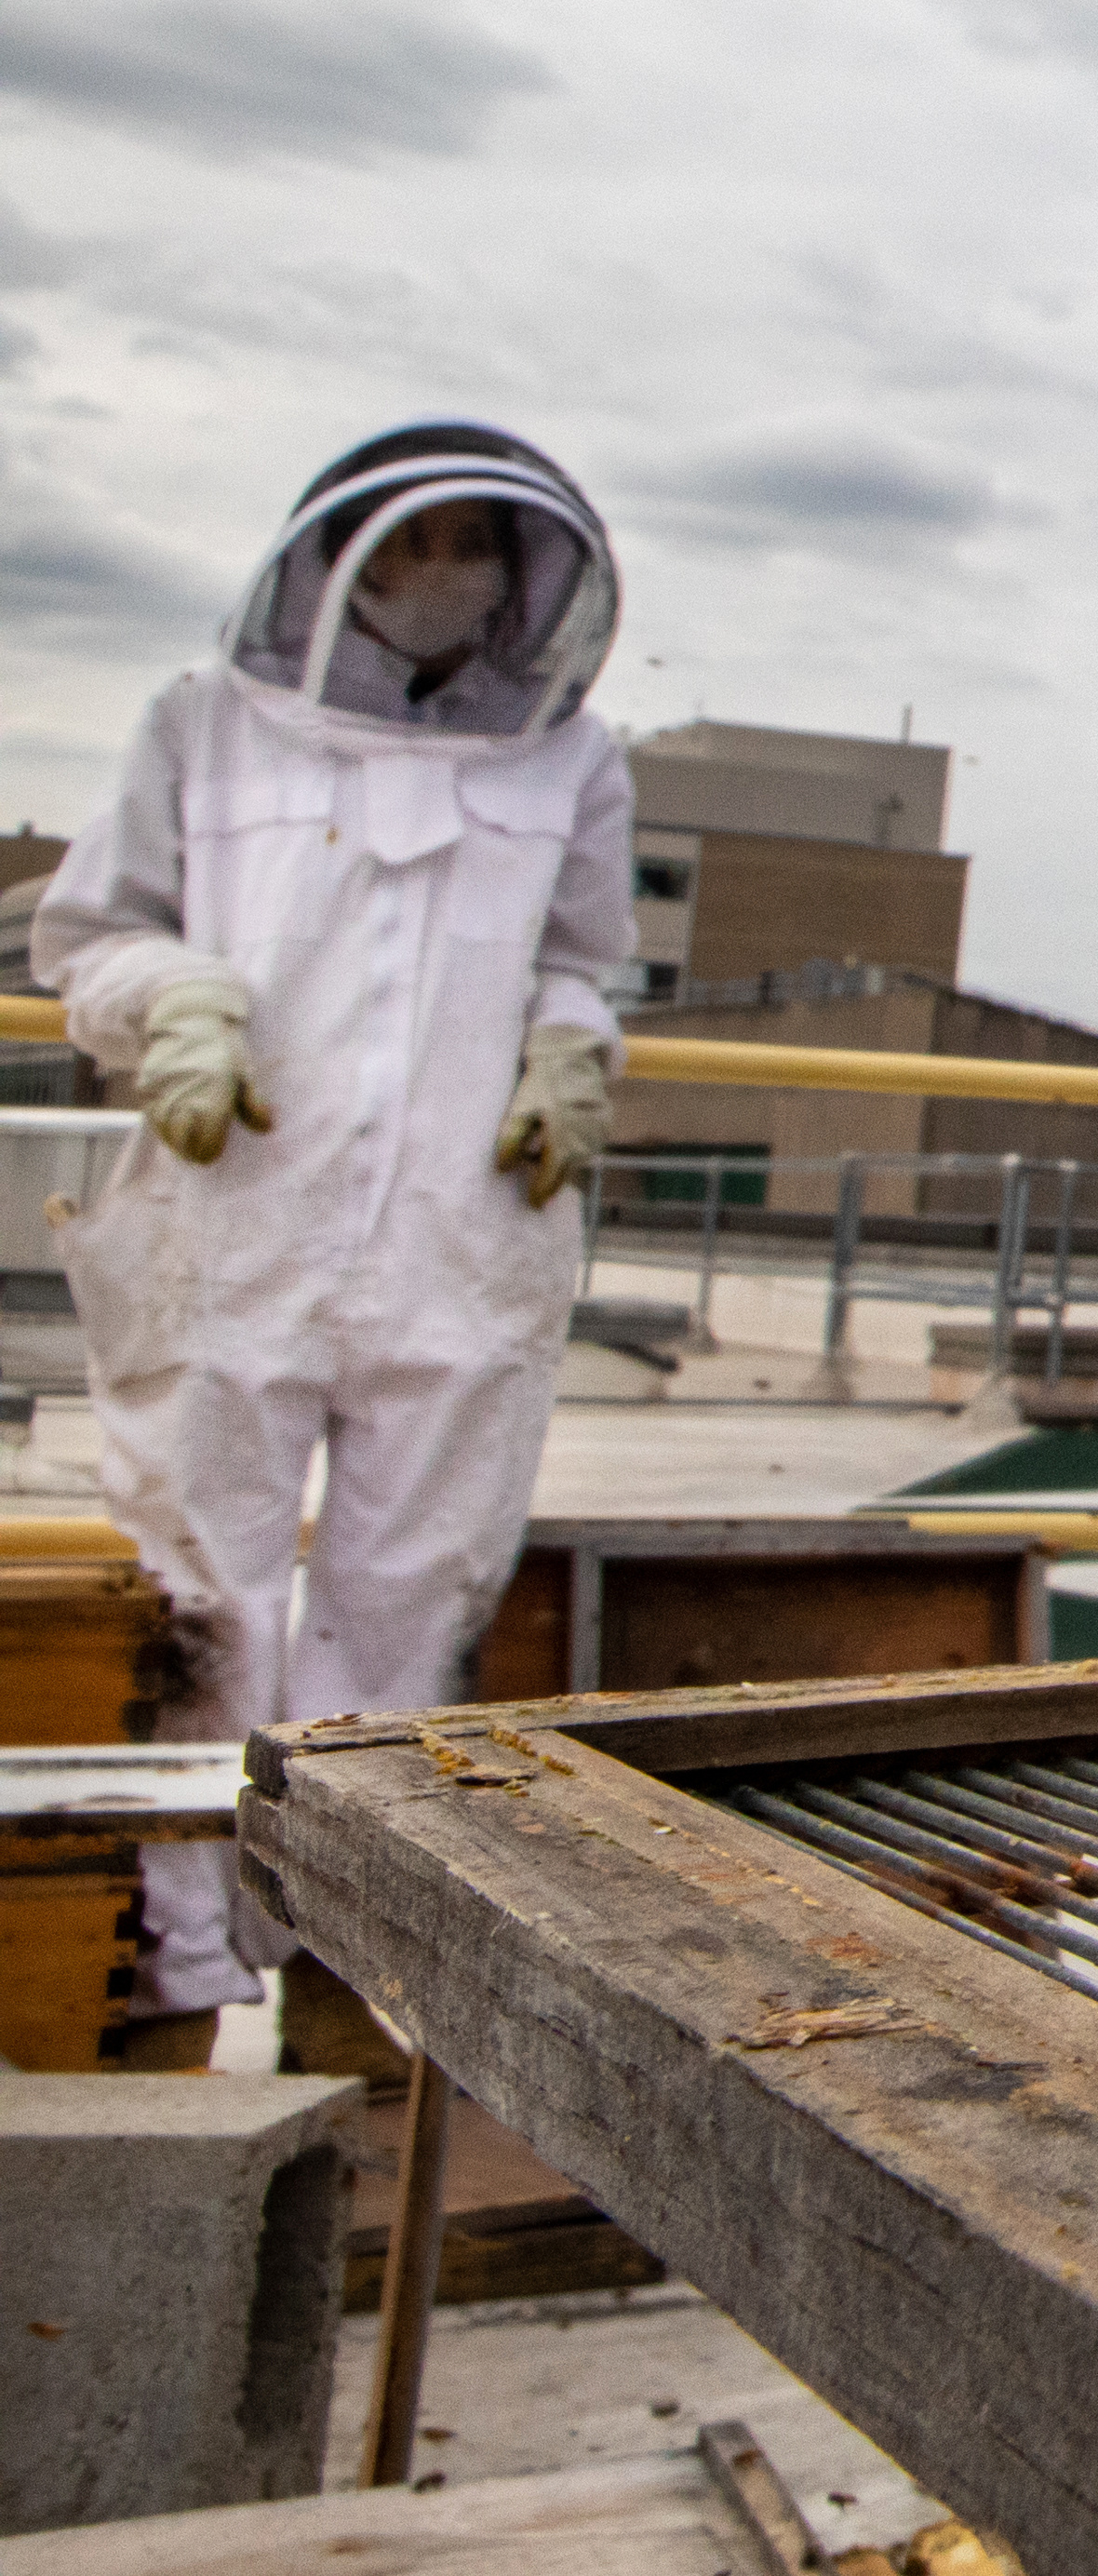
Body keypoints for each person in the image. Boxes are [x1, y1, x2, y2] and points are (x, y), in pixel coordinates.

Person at [27, 423, 632, 2062]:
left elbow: (587, 959)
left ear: (532, 579)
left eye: (479, 549)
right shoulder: (202, 724)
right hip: (229, 1225)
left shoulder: (571, 760)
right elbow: (88, 933)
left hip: (465, 1242)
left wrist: (569, 1052)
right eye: (420, 542)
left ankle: (345, 1984)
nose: (448, 577)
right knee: (201, 1608)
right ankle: (170, 1973)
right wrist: (176, 1002)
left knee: (406, 1615)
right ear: (339, 561)